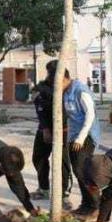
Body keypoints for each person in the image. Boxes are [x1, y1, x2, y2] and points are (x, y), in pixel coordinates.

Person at [49, 61, 102, 216]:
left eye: (58, 83)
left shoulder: (80, 91)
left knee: (83, 171)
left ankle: (95, 206)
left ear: (65, 78)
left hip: (86, 136)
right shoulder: (65, 92)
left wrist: (80, 138)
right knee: (78, 171)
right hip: (74, 135)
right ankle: (86, 204)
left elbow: (90, 115)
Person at [31, 61, 72, 207]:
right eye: (48, 72)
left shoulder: (68, 88)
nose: (49, 76)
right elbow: (38, 103)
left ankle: (64, 195)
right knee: (39, 157)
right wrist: (45, 129)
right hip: (44, 127)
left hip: (64, 129)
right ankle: (44, 188)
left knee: (63, 162)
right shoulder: (44, 87)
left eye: (51, 73)